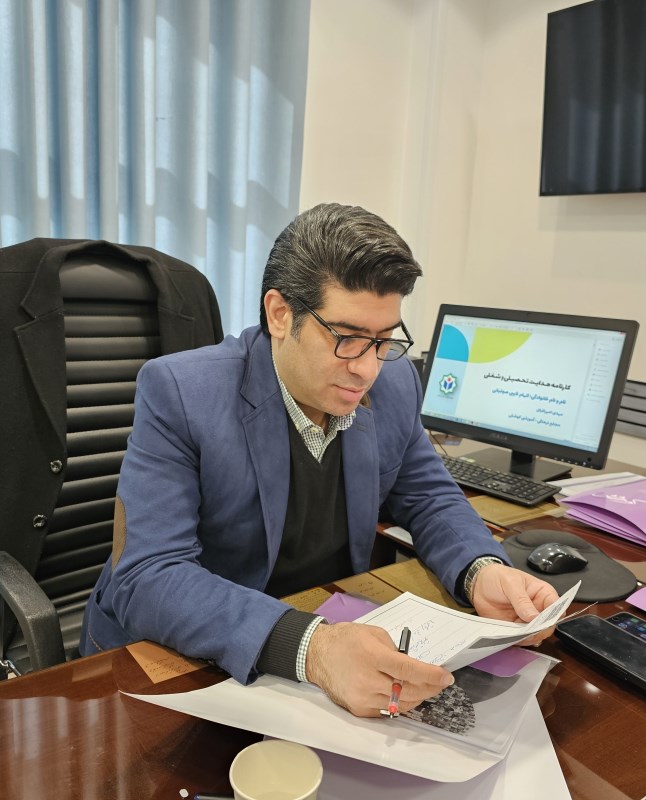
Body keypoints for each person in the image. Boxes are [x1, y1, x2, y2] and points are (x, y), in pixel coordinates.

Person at [80, 203, 559, 717]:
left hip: (329, 631)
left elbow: (428, 495)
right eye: (347, 339)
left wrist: (480, 570)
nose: (368, 369)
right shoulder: (181, 392)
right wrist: (312, 647)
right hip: (190, 655)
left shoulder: (396, 382)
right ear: (280, 314)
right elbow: (148, 574)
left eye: (384, 340)